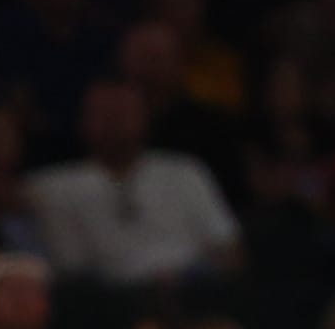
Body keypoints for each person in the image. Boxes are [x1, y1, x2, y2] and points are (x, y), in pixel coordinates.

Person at [24, 85, 244, 295]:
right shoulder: (54, 185)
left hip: (190, 291)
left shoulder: (184, 171)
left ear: (145, 117)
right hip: (106, 301)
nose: (114, 123)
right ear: (83, 119)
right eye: (104, 114)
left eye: (123, 113)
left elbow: (228, 248)